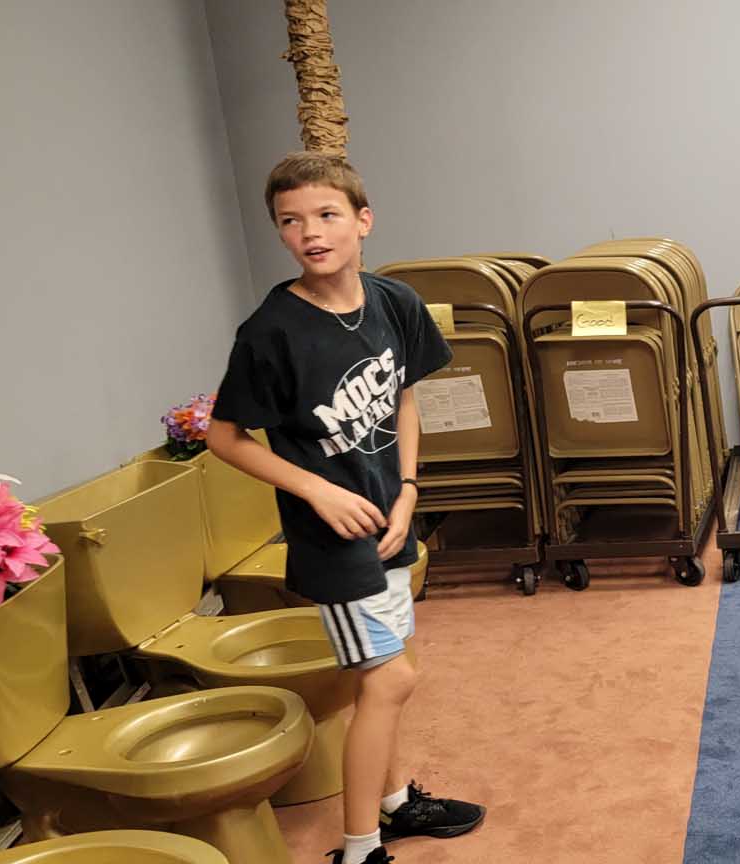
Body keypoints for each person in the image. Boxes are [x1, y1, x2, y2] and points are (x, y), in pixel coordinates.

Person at [207, 152, 485, 864]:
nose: (310, 232)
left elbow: (404, 400)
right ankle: (361, 850)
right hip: (333, 538)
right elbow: (223, 438)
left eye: (327, 215)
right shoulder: (270, 332)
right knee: (392, 678)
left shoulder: (394, 302)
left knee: (387, 673)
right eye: (290, 221)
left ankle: (395, 803)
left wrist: (410, 489)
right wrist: (316, 489)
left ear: (363, 220)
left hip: (391, 516)